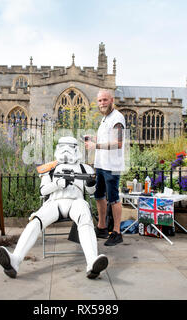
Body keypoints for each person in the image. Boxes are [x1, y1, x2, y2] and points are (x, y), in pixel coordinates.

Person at [0, 136, 108, 279]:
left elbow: (91, 192)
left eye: (70, 147)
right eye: (63, 146)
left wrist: (91, 183)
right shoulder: (50, 169)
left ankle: (92, 262)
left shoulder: (84, 168)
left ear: (76, 149)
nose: (66, 150)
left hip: (76, 202)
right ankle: (15, 260)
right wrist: (58, 184)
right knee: (36, 221)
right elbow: (42, 191)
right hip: (54, 202)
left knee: (85, 218)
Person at [85, 89, 126, 246]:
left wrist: (96, 145)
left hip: (112, 166)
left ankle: (116, 232)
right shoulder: (105, 119)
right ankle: (101, 227)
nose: (102, 103)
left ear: (111, 100)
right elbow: (108, 138)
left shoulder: (117, 118)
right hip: (101, 165)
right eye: (100, 100)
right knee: (99, 196)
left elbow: (118, 143)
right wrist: (95, 138)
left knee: (113, 198)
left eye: (105, 100)